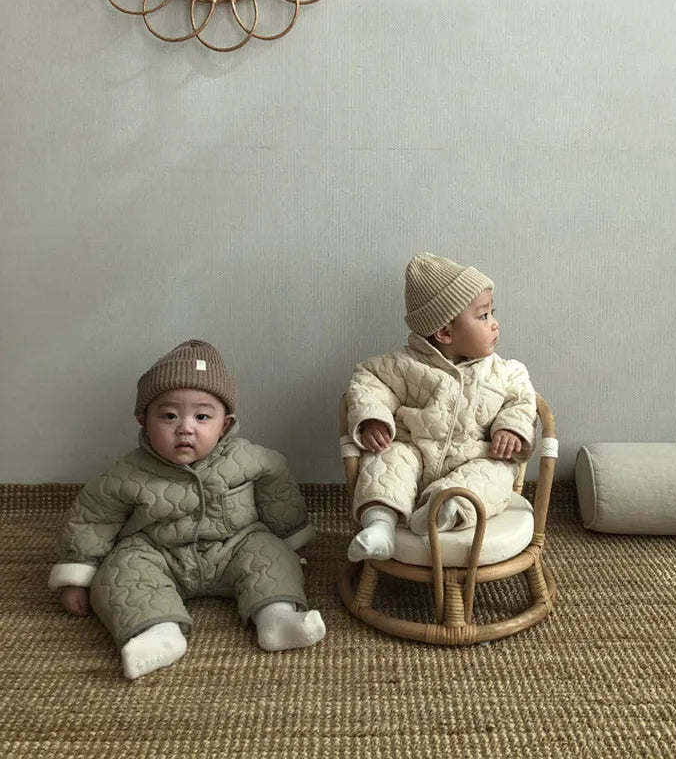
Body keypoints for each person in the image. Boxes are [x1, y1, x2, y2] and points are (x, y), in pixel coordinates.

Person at [48, 339, 325, 680]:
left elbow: (278, 491)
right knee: (121, 571)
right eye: (169, 416)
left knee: (270, 554)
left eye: (202, 416)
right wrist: (77, 576)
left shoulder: (252, 459)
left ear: (225, 424)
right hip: (158, 551)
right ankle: (157, 633)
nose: (185, 427)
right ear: (143, 421)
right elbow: (93, 518)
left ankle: (276, 618)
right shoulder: (126, 473)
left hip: (236, 544)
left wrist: (291, 537)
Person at [345, 252, 538, 563]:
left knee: (496, 472)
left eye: (493, 312)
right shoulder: (404, 364)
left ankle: (446, 511)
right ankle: (380, 526)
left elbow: (523, 400)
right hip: (415, 454)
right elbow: (367, 381)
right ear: (445, 333)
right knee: (388, 459)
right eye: (483, 316)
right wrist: (373, 419)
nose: (495, 324)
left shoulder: (505, 372)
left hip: (473, 457)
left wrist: (510, 429)